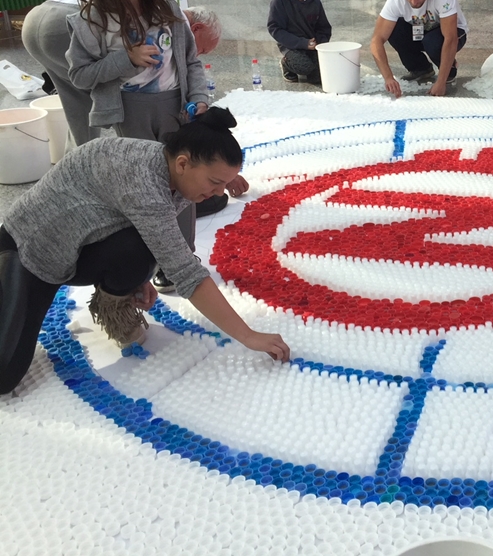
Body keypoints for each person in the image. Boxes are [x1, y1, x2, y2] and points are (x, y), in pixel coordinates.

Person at [0, 107, 291, 395]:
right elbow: (185, 272)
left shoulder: (172, 172)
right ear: (183, 163)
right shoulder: (142, 181)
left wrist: (135, 278)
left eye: (225, 184)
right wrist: (247, 335)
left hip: (78, 243)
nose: (219, 192)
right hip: (28, 251)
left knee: (141, 250)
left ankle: (112, 306)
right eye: (215, 182)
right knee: (4, 374)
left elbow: (141, 228)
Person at [65, 0, 214, 292]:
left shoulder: (168, 10)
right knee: (143, 190)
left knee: (183, 182)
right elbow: (80, 75)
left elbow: (190, 61)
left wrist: (199, 97)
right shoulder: (93, 21)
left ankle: (181, 258)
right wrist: (125, 60)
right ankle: (150, 260)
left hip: (174, 109)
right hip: (128, 113)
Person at [23, 0, 221, 149]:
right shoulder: (169, 18)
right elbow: (88, 75)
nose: (198, 54)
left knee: (76, 100)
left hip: (35, 19)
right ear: (196, 28)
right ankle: (86, 164)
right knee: (97, 90)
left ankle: (77, 165)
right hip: (66, 21)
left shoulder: (159, 9)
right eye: (202, 49)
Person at [370, 0, 468, 97]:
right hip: (421, 31)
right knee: (394, 29)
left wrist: (441, 82)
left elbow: (450, 38)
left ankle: (448, 71)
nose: (413, 1)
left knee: (432, 42)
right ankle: (421, 69)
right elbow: (377, 40)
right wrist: (388, 77)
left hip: (452, 33)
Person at [267, 0, 332, 85]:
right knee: (304, 66)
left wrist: (320, 43)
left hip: (312, 46)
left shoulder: (314, 0)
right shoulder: (279, 2)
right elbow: (275, 29)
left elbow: (323, 26)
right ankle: (286, 64)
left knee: (320, 75)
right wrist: (303, 43)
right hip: (291, 46)